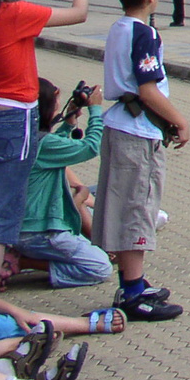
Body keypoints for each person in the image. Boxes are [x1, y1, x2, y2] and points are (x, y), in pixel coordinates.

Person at [0, 0, 89, 335]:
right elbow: (79, 13)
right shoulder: (15, 14)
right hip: (12, 119)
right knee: (2, 213)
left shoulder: (5, 10)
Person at [94, 0, 187, 321]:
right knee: (137, 207)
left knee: (127, 204)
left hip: (120, 124)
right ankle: (133, 293)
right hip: (137, 132)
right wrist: (178, 119)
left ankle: (134, 281)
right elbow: (147, 89)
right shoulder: (144, 34)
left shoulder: (118, 28)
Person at [15, 81, 111, 290]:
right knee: (100, 267)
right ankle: (20, 262)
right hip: (39, 233)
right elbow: (91, 146)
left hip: (19, 228)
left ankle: (21, 257)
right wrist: (95, 109)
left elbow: (47, 148)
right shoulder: (45, 145)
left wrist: (67, 124)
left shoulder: (24, 137)